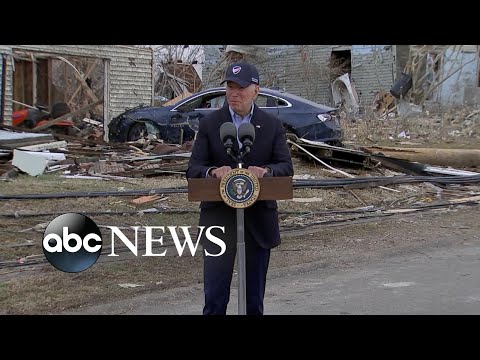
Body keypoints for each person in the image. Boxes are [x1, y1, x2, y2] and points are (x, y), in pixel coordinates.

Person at [186, 62, 294, 315]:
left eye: (241, 88)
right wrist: (212, 172)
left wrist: (265, 172)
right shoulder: (211, 124)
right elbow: (193, 169)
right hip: (219, 221)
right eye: (230, 87)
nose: (234, 93)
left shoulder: (272, 125)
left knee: (253, 300)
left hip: (257, 222)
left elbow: (285, 167)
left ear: (256, 90)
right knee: (214, 298)